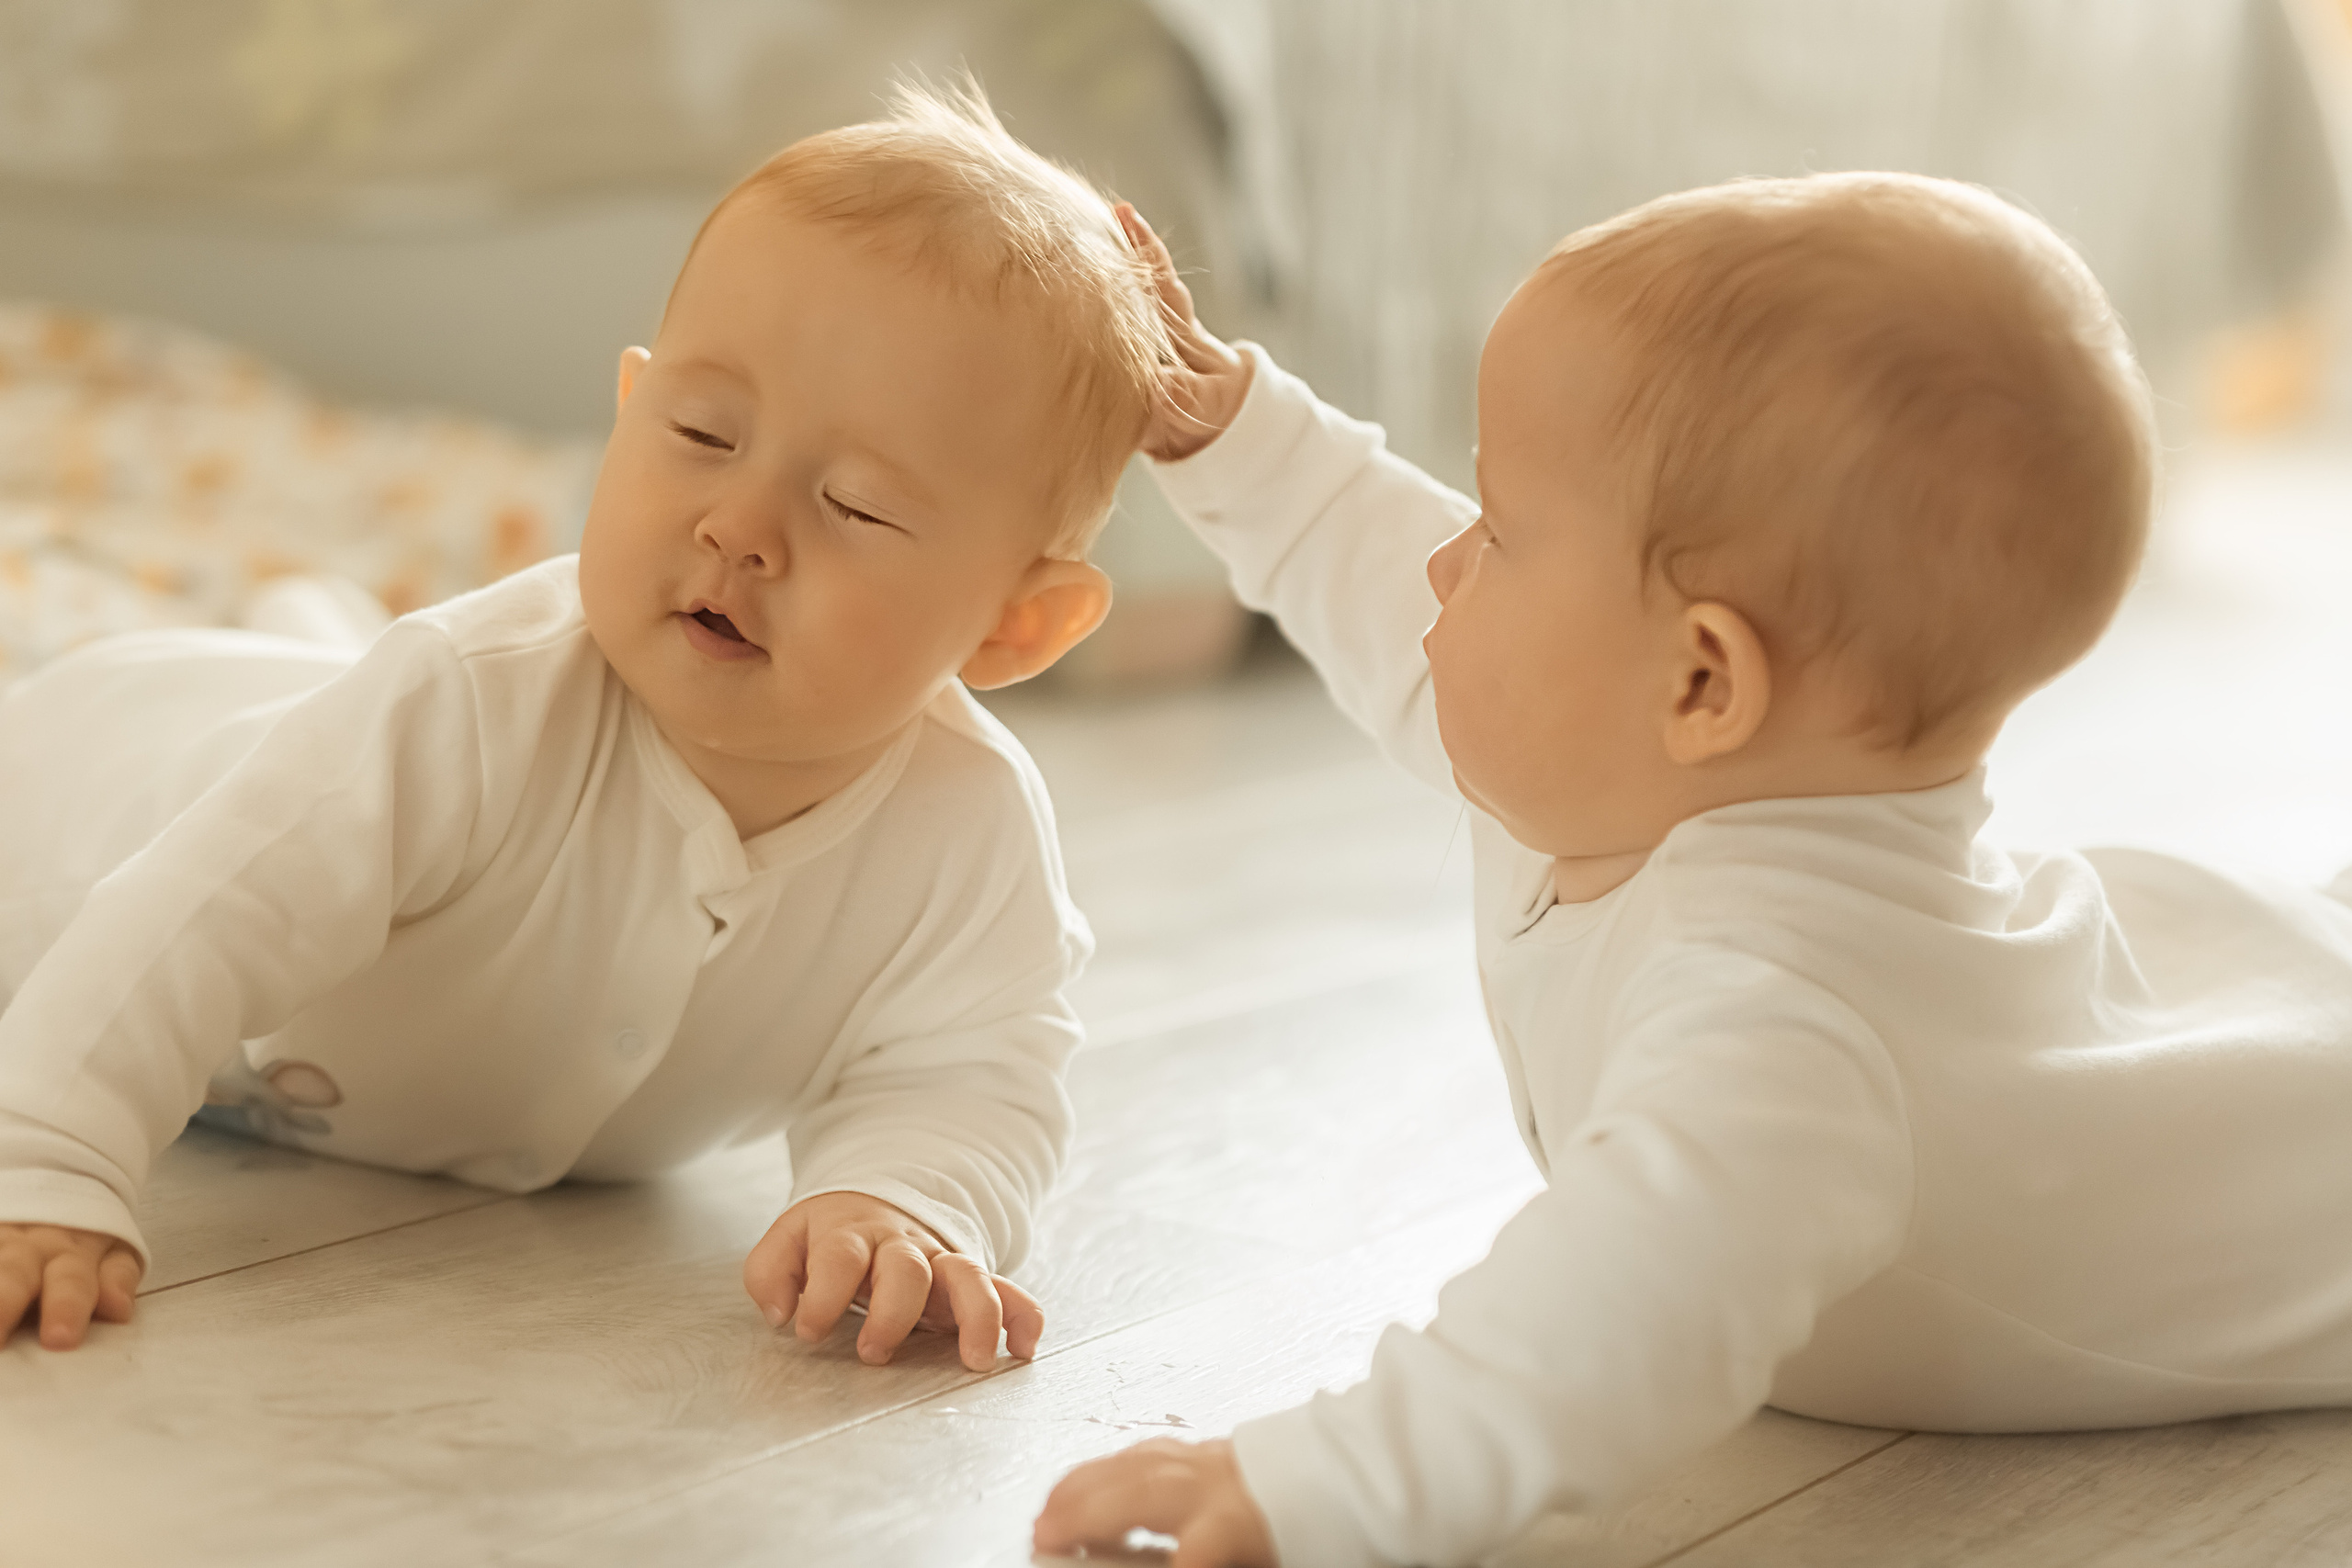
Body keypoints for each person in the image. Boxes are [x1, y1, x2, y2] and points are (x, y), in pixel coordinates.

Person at [1035, 178, 2352, 1566]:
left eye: (1497, 530)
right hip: (2237, 987)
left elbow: (1615, 1312)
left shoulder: (1786, 1024)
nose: (1441, 569)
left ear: (1705, 678)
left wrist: (1334, 1480)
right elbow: (1400, 604)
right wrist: (1228, 435)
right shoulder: (1636, 770)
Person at [0, 82, 1166, 1373]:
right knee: (313, 734)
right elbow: (196, 917)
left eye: (856, 505)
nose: (741, 525)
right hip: (68, 812)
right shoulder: (479, 699)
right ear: (629, 413)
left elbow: (971, 1069)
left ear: (1018, 625)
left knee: (346, 709)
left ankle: (317, 631)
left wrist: (903, 1200)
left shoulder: (969, 834)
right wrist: (48, 1163)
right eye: (702, 433)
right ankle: (309, 639)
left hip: (327, 814)